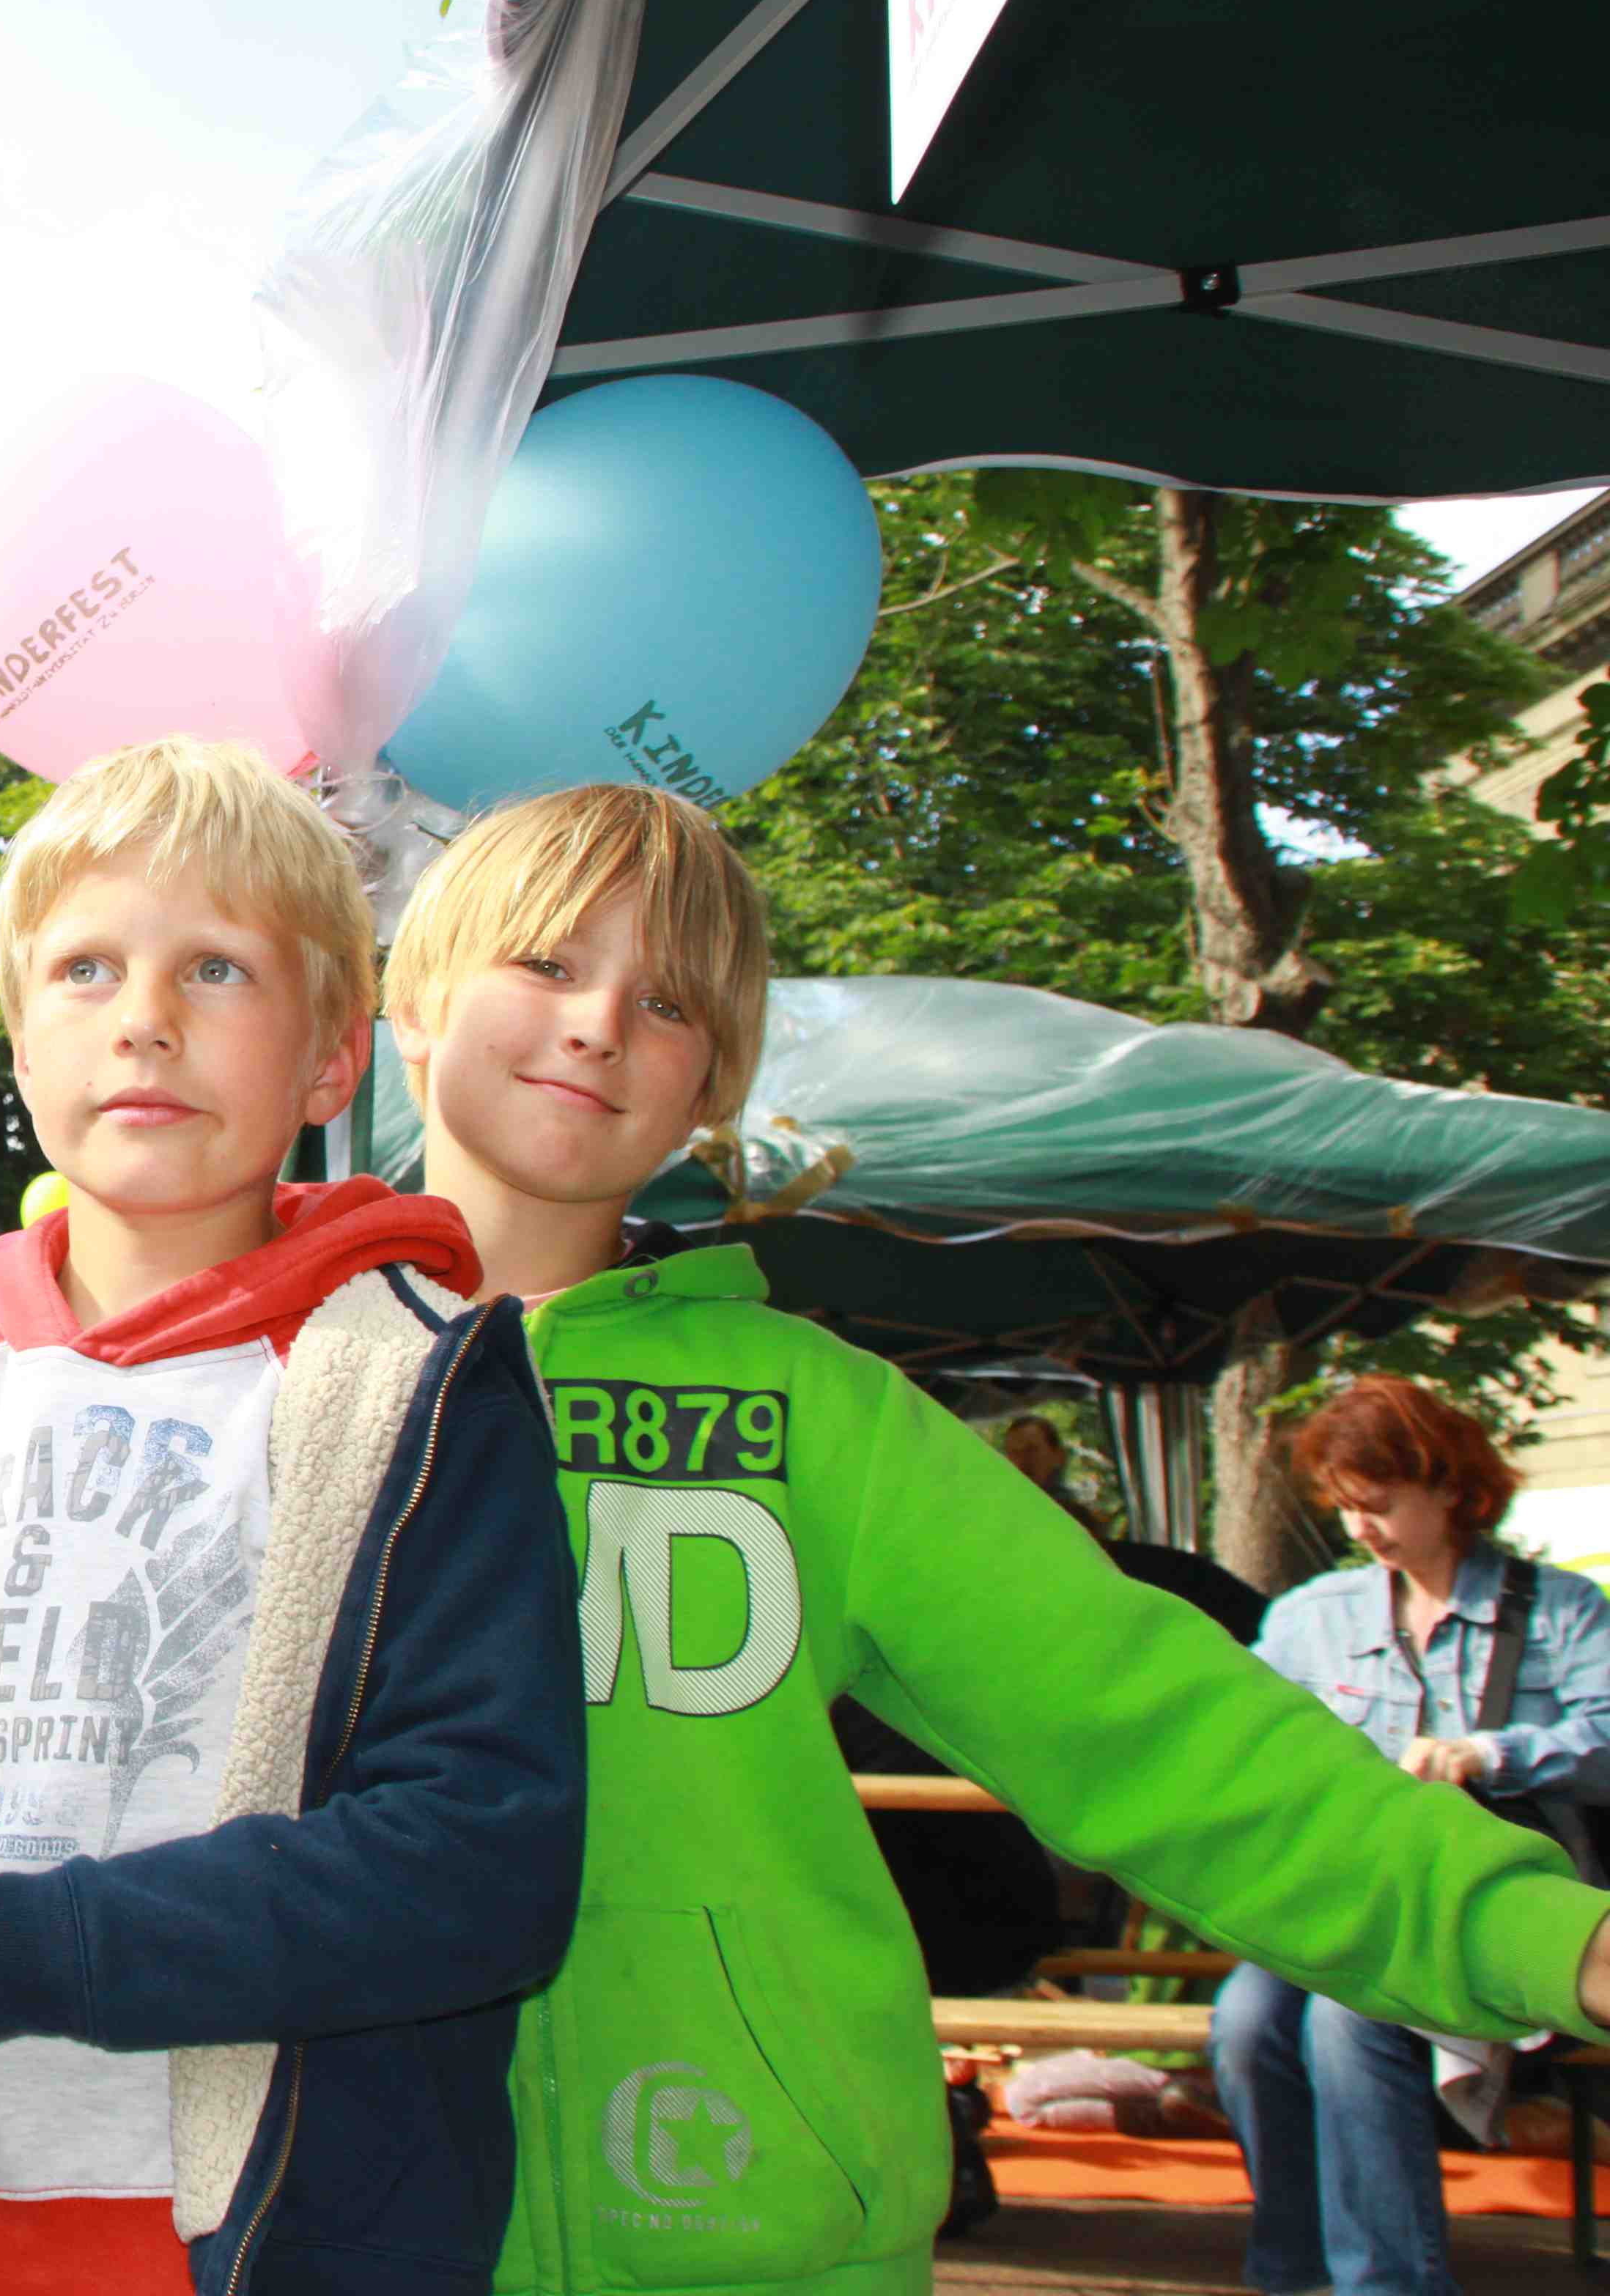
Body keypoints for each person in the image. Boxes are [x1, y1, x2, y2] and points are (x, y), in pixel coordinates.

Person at [380, 782, 1610, 2296]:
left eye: (671, 1000)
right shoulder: (257, 1380)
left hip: (745, 2225)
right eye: (547, 963)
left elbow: (1150, 1723)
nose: (598, 1025)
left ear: (714, 1082)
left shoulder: (819, 1419)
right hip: (314, 2219)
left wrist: (1546, 1934)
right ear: (412, 1002)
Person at [0, 734, 586, 2296]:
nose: (145, 1018)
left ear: (331, 1060)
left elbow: (479, 1864)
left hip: (242, 2253)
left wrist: (16, 1953)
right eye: (86, 969)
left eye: (219, 970)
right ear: (21, 1044)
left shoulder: (421, 1392)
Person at [1213, 1375, 1610, 2296]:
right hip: (1349, 1898)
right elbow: (1245, 1743)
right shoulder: (1311, 1617)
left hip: (1497, 1910)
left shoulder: (1564, 1611)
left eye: (1381, 1504)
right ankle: (1292, 2273)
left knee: (1350, 2017)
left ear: (1453, 1489)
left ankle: (1387, 2284)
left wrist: (1491, 1754)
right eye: (1347, 1507)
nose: (1362, 1529)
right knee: (1244, 2023)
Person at [1002, 1413, 1104, 1529]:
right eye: (1014, 1453)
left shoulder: (1073, 1517)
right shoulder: (1003, 1513)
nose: (1022, 1460)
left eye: (1031, 1450)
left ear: (1058, 1456)